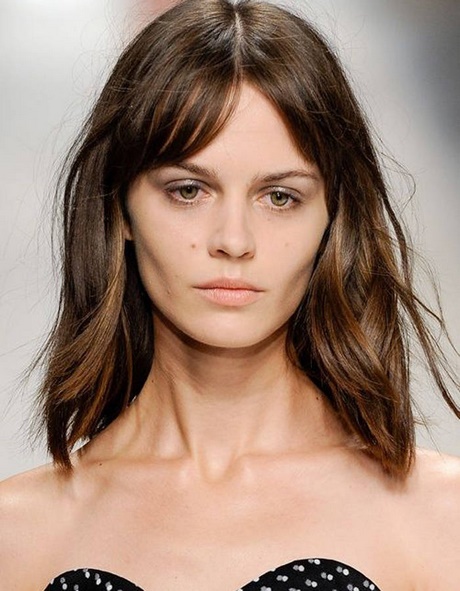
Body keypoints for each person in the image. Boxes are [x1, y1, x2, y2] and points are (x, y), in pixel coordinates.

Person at [0, 0, 459, 589]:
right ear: (120, 209)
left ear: (333, 218)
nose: (234, 241)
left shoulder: (441, 519)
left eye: (280, 197)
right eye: (189, 191)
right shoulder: (18, 536)